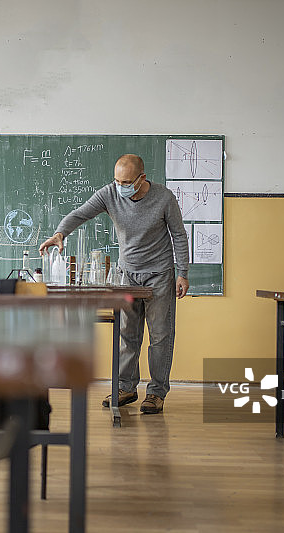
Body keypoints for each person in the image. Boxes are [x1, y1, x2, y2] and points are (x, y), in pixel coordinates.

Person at [38, 154, 189, 414]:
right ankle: (126, 387)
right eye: (117, 180)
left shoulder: (164, 198)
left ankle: (156, 393)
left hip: (160, 274)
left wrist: (183, 272)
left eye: (127, 181)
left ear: (142, 178)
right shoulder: (110, 193)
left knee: (160, 336)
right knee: (127, 334)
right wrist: (60, 233)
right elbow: (80, 214)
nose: (121, 186)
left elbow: (179, 235)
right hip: (127, 273)